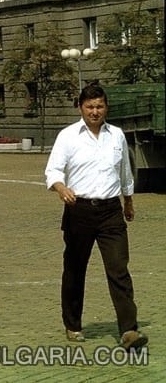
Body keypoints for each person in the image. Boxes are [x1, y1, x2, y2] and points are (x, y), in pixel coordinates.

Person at [45, 84, 147, 351]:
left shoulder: (117, 136)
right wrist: (61, 188)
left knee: (118, 269)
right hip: (79, 210)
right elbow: (53, 170)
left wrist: (129, 201)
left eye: (99, 106)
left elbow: (125, 171)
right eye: (90, 106)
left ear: (106, 108)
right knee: (75, 269)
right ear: (81, 107)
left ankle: (128, 330)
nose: (95, 111)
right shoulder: (68, 136)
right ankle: (73, 323)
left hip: (111, 211)